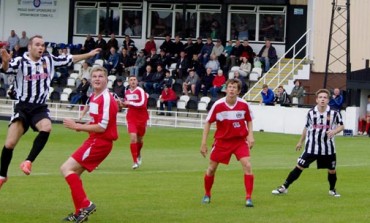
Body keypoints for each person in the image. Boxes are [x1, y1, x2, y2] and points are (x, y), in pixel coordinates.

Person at [0, 35, 101, 189]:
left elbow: (70, 58)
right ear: (30, 47)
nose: (41, 48)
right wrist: (6, 60)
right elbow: (6, 69)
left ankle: (28, 161)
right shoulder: (21, 61)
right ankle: (2, 175)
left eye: (43, 45)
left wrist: (89, 54)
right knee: (10, 143)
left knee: (47, 127)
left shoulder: (49, 60)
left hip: (39, 107)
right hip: (23, 107)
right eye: (38, 45)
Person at [60, 66, 119, 222]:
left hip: (100, 142)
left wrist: (77, 126)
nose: (97, 79)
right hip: (95, 140)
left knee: (66, 168)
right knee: (74, 174)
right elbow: (95, 120)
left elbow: (102, 127)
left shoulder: (106, 98)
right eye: (94, 76)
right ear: (91, 79)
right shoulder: (94, 96)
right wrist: (83, 125)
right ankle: (80, 213)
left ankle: (86, 205)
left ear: (107, 79)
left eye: (100, 76)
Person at [272, 89, 344, 197]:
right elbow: (306, 127)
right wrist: (300, 141)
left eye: (325, 97)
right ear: (316, 100)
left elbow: (341, 126)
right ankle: (284, 187)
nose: (322, 99)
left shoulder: (334, 113)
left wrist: (334, 131)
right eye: (320, 97)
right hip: (311, 147)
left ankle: (332, 190)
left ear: (328, 100)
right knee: (299, 166)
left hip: (328, 148)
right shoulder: (311, 113)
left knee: (332, 170)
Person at [200, 78, 255, 207]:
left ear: (238, 91)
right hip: (222, 141)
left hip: (239, 141)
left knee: (247, 165)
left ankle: (248, 198)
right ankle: (207, 194)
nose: (231, 89)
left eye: (234, 87)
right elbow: (208, 122)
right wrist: (203, 143)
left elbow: (249, 119)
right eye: (230, 87)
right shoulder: (218, 105)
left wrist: (250, 135)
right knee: (212, 168)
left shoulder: (244, 104)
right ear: (226, 89)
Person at [123, 75, 149, 169]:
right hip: (131, 118)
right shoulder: (127, 92)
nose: (133, 81)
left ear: (137, 81)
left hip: (142, 118)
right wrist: (122, 104)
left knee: (140, 139)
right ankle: (135, 162)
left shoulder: (140, 91)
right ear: (128, 82)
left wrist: (130, 103)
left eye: (134, 80)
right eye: (131, 80)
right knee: (133, 137)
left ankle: (138, 154)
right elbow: (127, 104)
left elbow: (142, 104)